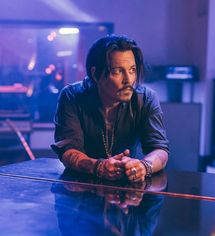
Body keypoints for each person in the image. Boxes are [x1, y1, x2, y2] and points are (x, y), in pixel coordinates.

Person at [51, 34, 169, 183]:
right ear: (95, 74)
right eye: (117, 71)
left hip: (127, 186)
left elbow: (159, 149)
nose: (128, 80)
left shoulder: (145, 98)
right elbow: (68, 150)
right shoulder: (72, 96)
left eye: (132, 70)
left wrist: (144, 166)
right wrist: (98, 167)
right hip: (80, 185)